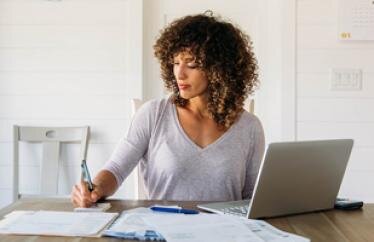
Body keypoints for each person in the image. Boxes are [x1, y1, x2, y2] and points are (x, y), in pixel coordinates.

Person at [71, 12, 265, 208]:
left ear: (220, 69)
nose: (180, 74)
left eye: (192, 64)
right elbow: (115, 169)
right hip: (163, 232)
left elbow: (252, 199)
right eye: (175, 63)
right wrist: (94, 188)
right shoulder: (153, 114)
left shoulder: (249, 127)